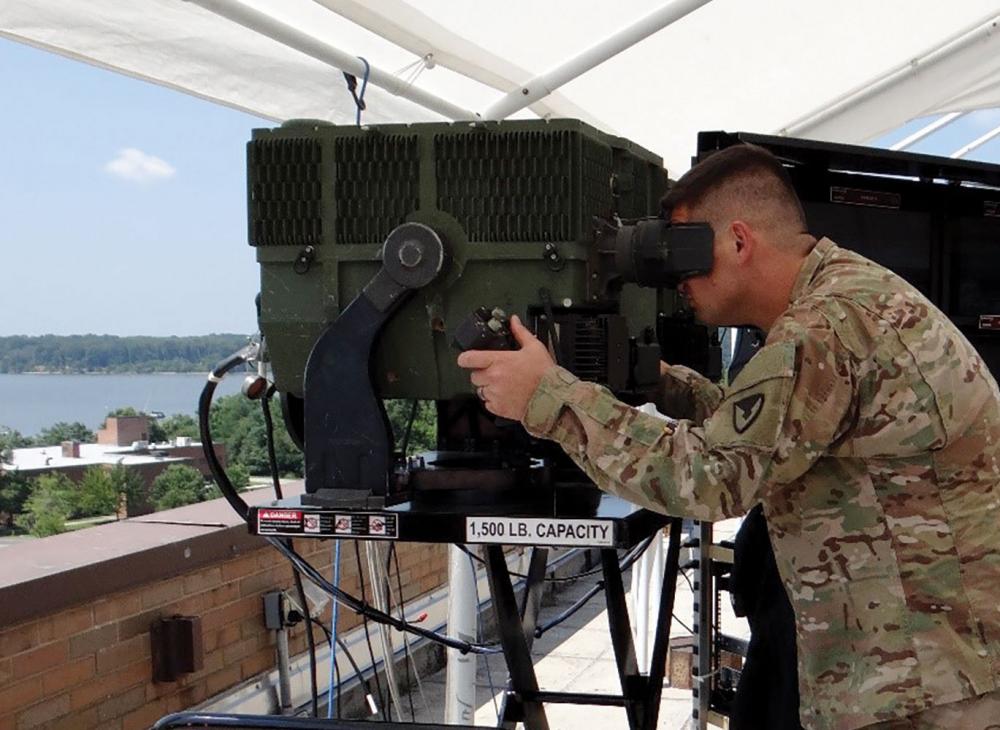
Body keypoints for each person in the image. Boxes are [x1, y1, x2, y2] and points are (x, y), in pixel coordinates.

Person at [457, 144, 1000, 730]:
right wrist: (664, 385)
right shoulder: (848, 298)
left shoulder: (822, 330)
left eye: (686, 252)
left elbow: (710, 478)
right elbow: (776, 437)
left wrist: (547, 397)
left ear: (740, 242)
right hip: (935, 670)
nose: (678, 280)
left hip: (923, 688)